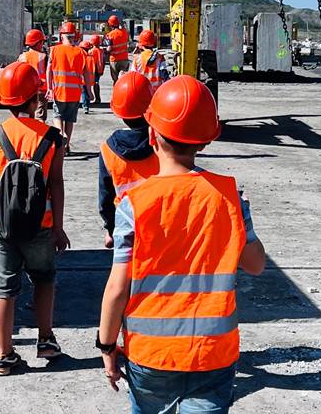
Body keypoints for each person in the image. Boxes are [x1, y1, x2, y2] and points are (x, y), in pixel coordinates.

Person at [97, 76, 265, 412]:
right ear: (205, 141)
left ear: (152, 135)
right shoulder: (229, 197)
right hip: (212, 354)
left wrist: (106, 345)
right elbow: (255, 264)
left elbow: (118, 286)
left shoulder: (133, 204)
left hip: (151, 355)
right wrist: (240, 218)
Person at [0, 61, 70, 376]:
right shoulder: (52, 138)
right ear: (34, 98)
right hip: (40, 224)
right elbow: (56, 184)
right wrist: (58, 228)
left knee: (2, 288)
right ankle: (46, 341)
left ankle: (4, 355)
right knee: (43, 279)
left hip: (2, 225)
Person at [97, 72, 158, 249]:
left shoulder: (108, 149)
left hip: (126, 227)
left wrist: (110, 229)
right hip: (160, 223)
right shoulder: (161, 143)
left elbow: (105, 198)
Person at [46, 21, 94, 152]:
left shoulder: (54, 50)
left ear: (62, 35)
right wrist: (89, 91)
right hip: (75, 93)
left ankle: (61, 135)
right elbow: (88, 74)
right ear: (75, 36)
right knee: (70, 119)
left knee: (57, 116)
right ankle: (66, 146)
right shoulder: (81, 52)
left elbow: (49, 70)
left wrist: (49, 88)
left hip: (59, 91)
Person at [20, 28, 50, 122]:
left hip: (26, 90)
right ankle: (39, 136)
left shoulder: (22, 57)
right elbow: (49, 72)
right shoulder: (44, 56)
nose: (42, 44)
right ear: (37, 43)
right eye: (41, 42)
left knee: (26, 115)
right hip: (40, 89)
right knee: (40, 117)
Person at [105, 15, 131, 84]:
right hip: (124, 59)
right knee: (123, 81)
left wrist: (104, 51)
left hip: (114, 60)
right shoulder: (125, 32)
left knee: (116, 81)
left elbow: (109, 48)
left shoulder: (110, 35)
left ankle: (116, 94)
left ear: (110, 24)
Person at [80, 39, 97, 115]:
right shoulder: (91, 58)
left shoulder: (80, 58)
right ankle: (87, 106)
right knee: (87, 92)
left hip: (82, 79)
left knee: (84, 93)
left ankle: (85, 106)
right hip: (89, 80)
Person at [88, 33, 106, 105]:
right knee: (96, 84)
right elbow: (103, 61)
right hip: (99, 70)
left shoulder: (91, 51)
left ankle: (89, 98)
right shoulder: (101, 51)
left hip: (93, 70)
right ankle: (98, 98)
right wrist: (102, 70)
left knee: (90, 84)